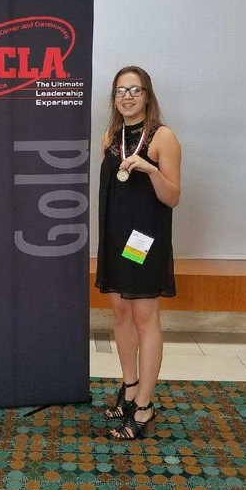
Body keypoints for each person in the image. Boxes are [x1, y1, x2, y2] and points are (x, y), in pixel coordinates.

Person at [95, 66, 181, 440]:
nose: (127, 96)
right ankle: (129, 389)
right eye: (120, 90)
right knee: (120, 313)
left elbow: (173, 197)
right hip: (116, 238)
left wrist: (150, 169)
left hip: (143, 241)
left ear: (147, 95)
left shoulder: (162, 137)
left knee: (145, 318)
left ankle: (144, 407)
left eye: (135, 89)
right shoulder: (110, 137)